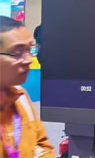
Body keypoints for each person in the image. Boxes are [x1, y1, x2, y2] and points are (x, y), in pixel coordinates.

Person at [0, 16, 55, 158]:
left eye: (29, 50)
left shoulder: (21, 97)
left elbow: (40, 145)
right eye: (17, 52)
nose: (28, 60)